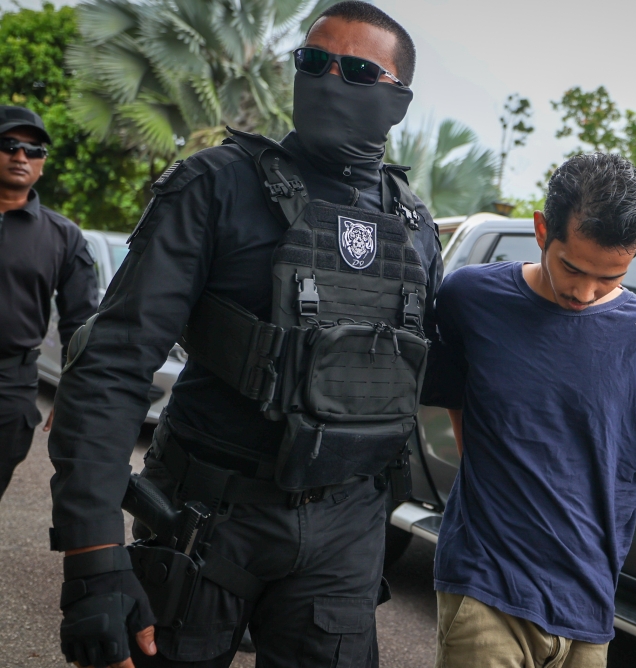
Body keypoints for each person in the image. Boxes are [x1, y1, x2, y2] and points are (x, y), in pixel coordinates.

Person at [47, 3, 442, 667]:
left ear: (397, 100)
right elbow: (111, 366)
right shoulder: (215, 186)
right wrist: (93, 561)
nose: (328, 78)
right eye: (313, 62)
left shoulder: (415, 227)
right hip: (207, 518)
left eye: (356, 70)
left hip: (345, 533)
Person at [422, 153, 636, 668]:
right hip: (487, 585)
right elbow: (461, 412)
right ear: (542, 230)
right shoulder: (470, 297)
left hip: (589, 601)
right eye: (573, 268)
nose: (585, 293)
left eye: (608, 279)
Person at [0, 105, 98, 502]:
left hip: (9, 391)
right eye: (9, 144)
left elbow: (81, 321)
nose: (21, 156)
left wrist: (72, 391)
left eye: (34, 150)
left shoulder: (64, 237)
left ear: (42, 162)